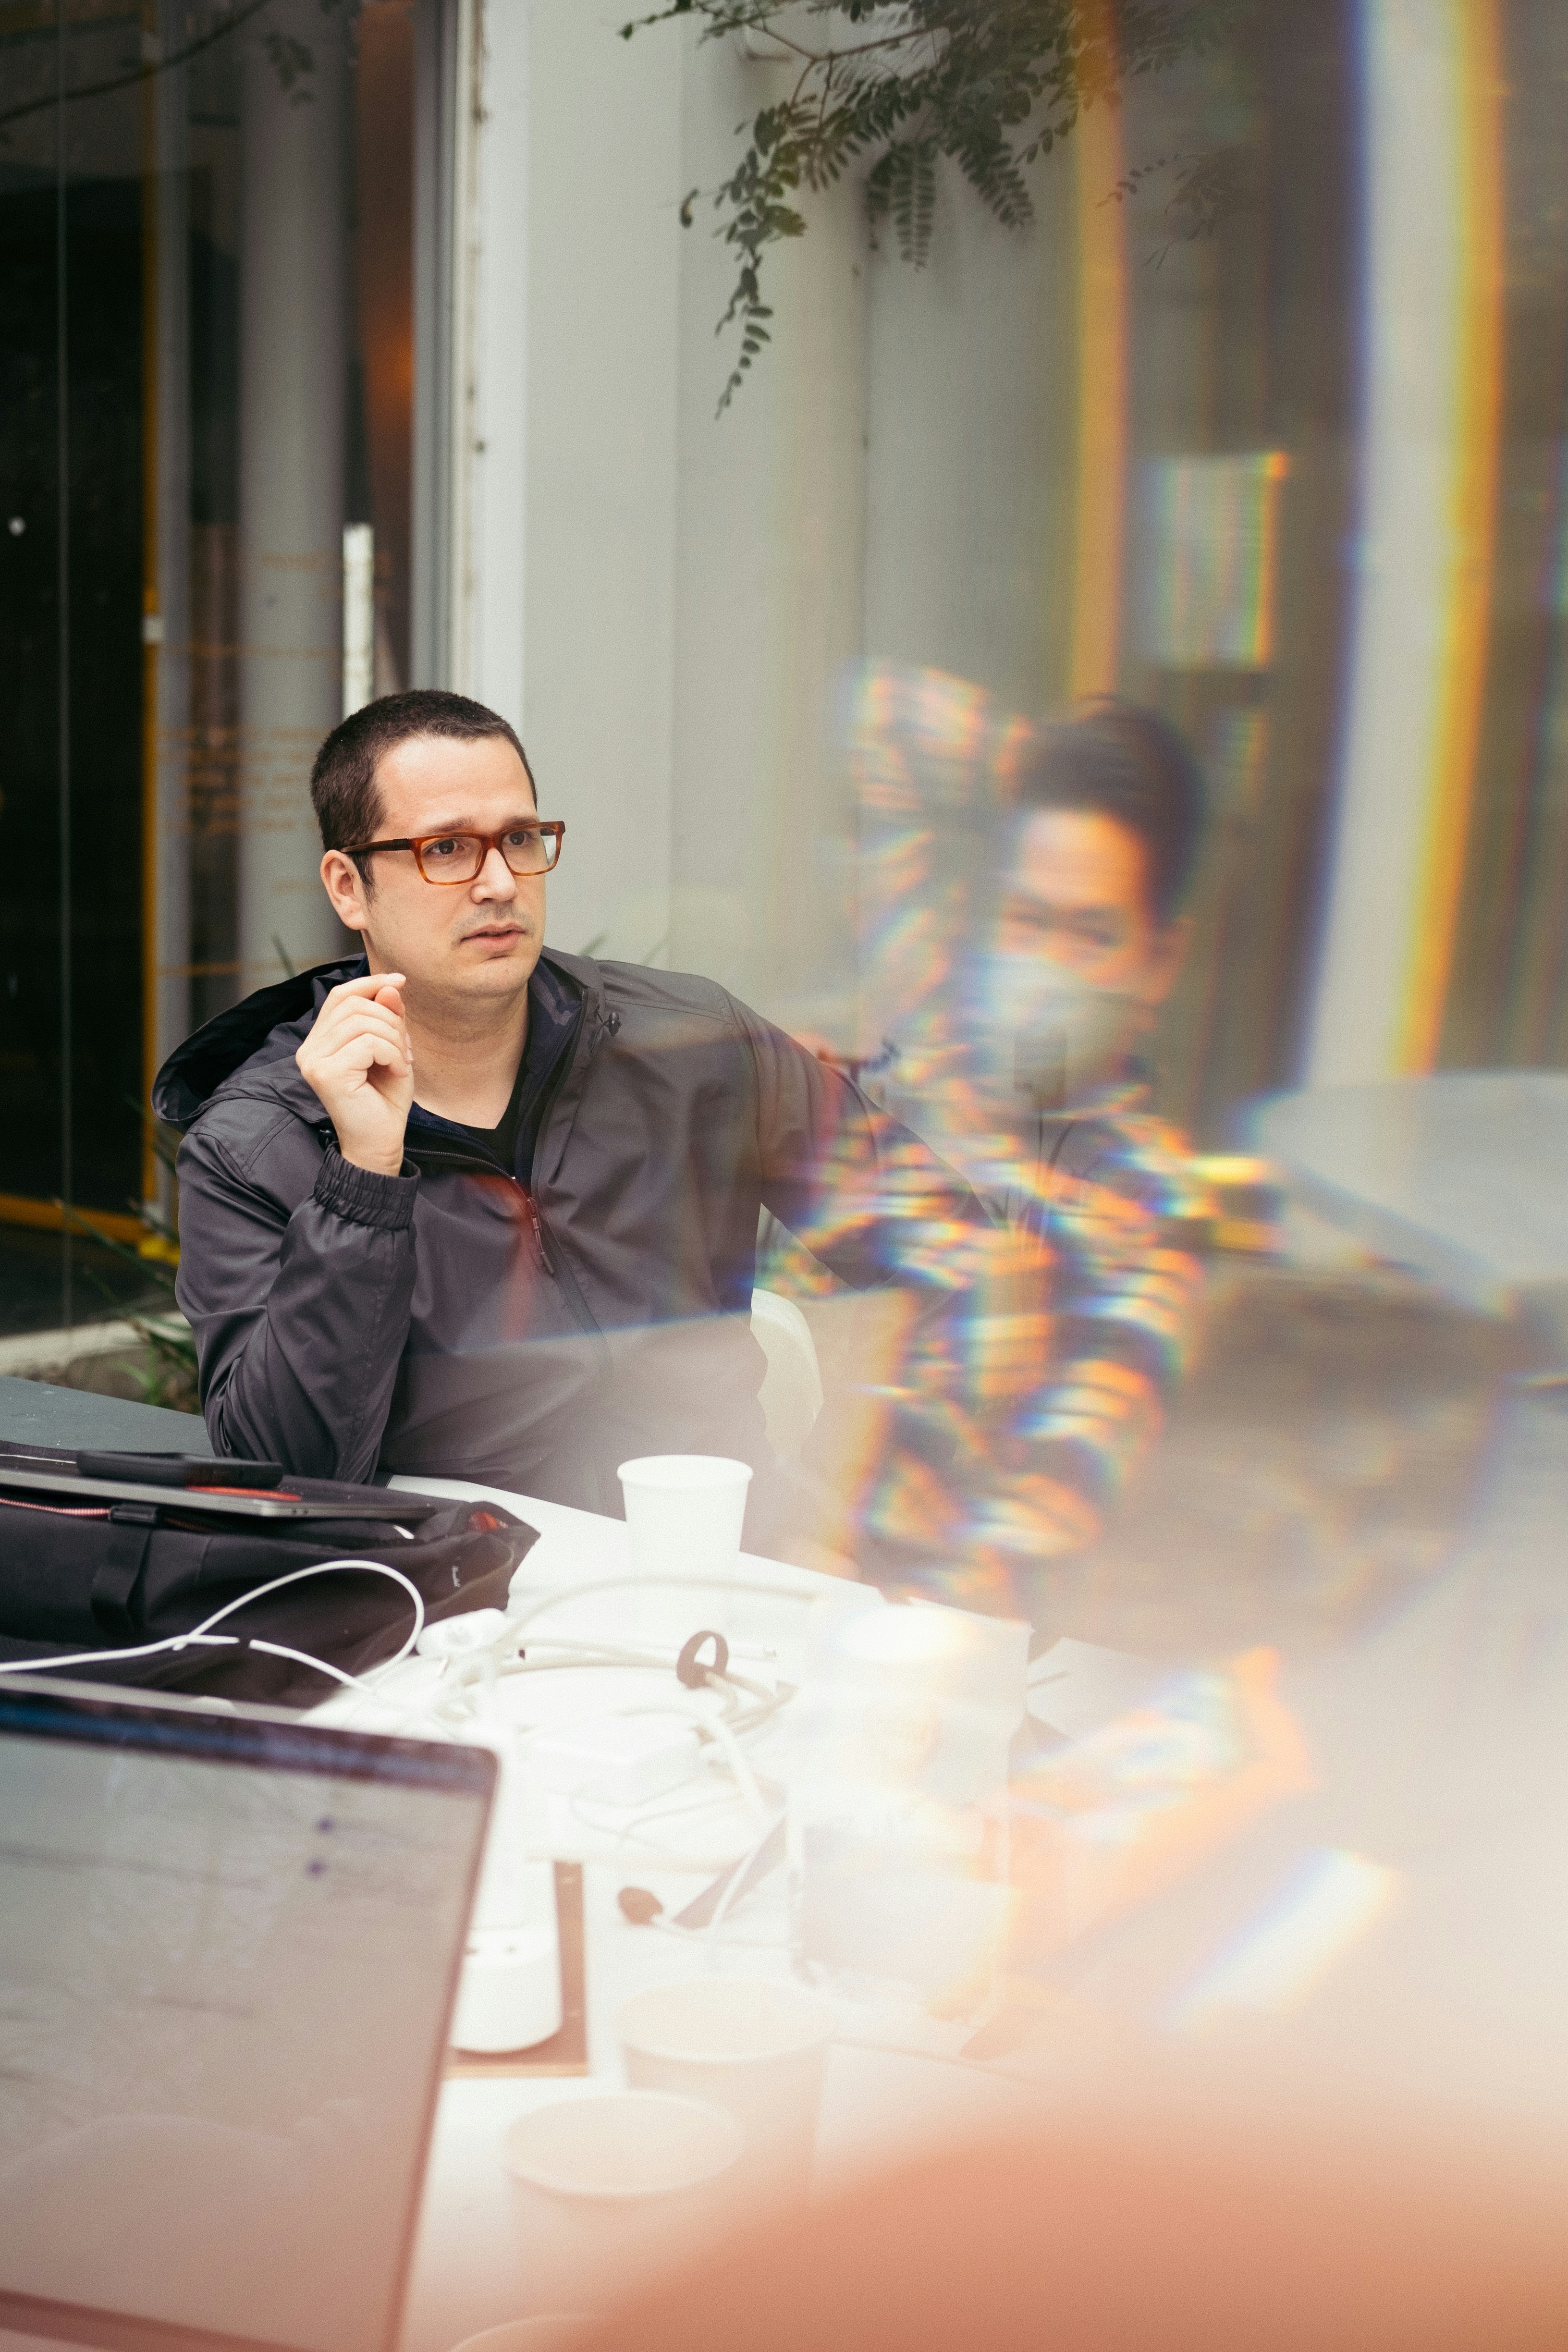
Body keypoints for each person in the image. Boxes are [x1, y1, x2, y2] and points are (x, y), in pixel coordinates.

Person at [153, 689, 1051, 1565]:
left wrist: (834, 1510)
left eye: (519, 839)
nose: (500, 882)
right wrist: (364, 1179)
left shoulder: (694, 1047)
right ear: (350, 887)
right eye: (447, 849)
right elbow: (281, 1484)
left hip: (725, 1576)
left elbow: (959, 1262)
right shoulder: (256, 1145)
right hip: (455, 1615)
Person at [774, 666, 1214, 1609]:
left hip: (888, 1629)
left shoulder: (1153, 1209)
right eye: (1025, 920)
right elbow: (883, 722)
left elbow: (1048, 1508)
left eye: (1088, 935)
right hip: (719, 1527)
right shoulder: (928, 1028)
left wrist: (870, 1631)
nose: (1043, 964)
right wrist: (1052, 769)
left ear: (1156, 962)